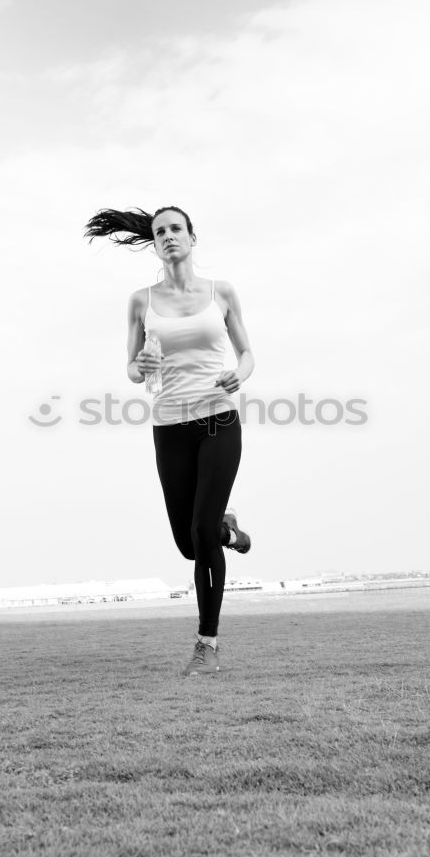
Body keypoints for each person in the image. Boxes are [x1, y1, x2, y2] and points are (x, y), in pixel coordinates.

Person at [84, 205, 255, 676]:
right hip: (169, 428)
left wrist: (236, 376)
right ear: (154, 243)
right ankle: (229, 530)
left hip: (219, 420)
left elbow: (247, 354)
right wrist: (140, 366)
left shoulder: (221, 292)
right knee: (190, 544)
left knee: (200, 534)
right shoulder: (141, 301)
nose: (168, 236)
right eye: (160, 232)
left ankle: (207, 644)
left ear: (192, 237)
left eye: (176, 228)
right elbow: (131, 367)